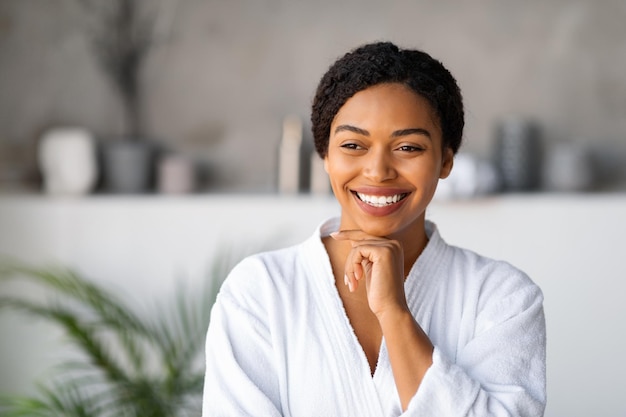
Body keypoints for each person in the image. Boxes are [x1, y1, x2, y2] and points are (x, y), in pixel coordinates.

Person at [201, 41, 546, 416]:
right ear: (326, 157)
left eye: (408, 148)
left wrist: (394, 315)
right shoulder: (260, 292)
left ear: (445, 160)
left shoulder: (502, 298)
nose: (378, 171)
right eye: (353, 144)